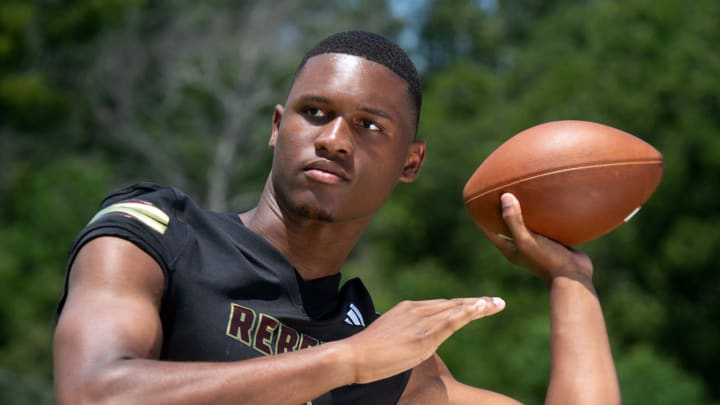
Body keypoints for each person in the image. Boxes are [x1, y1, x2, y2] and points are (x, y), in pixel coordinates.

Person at [53, 30, 620, 404]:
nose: (334, 140)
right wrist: (345, 362)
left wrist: (571, 279)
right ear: (278, 127)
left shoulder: (396, 360)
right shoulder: (158, 233)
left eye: (370, 126)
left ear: (411, 162)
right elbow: (93, 392)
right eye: (315, 113)